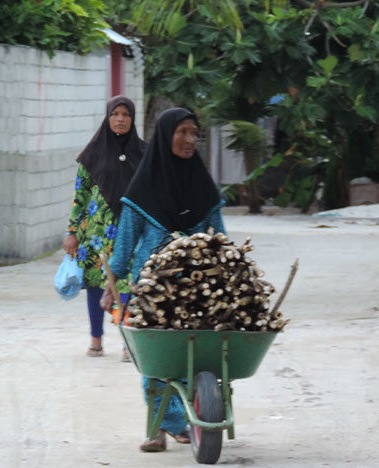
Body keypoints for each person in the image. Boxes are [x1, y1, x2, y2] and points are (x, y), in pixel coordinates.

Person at [101, 107, 226, 452]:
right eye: (182, 132)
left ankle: (188, 415)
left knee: (194, 353)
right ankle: (162, 425)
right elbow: (125, 243)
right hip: (151, 287)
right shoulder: (144, 188)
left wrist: (228, 273)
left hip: (197, 286)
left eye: (194, 133)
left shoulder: (203, 186)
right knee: (156, 359)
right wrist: (112, 285)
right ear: (165, 135)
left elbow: (220, 238)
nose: (190, 139)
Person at [63, 96, 145, 359]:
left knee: (128, 285)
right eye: (115, 114)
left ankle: (128, 342)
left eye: (126, 115)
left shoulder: (144, 153)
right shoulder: (92, 153)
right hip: (96, 233)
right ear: (107, 117)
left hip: (129, 231)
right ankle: (96, 340)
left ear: (132, 119)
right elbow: (80, 195)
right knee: (96, 285)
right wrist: (72, 232)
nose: (120, 119)